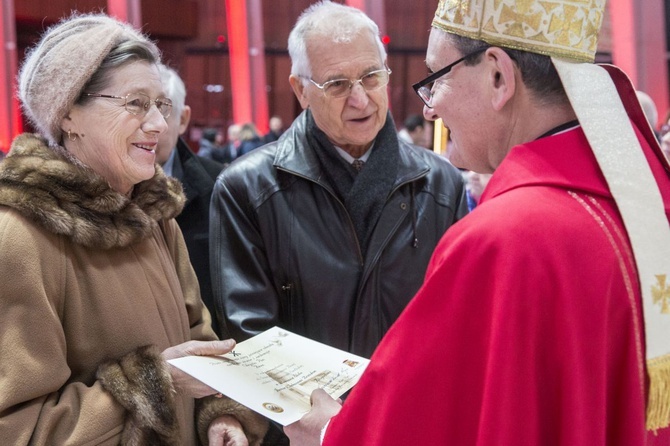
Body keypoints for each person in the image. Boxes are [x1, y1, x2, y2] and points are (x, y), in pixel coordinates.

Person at [285, 0, 670, 444]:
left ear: (498, 76)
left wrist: (330, 432)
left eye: (437, 78)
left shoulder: (507, 238)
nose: (429, 109)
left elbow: (428, 424)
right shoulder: (640, 208)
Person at [0, 13, 267, 445]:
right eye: (135, 103)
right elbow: (19, 429)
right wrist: (160, 382)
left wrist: (220, 417)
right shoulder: (22, 237)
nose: (160, 125)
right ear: (69, 114)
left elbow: (198, 337)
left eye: (160, 104)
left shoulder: (154, 215)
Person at [210, 0, 467, 442]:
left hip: (411, 425)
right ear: (300, 89)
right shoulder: (246, 189)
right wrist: (329, 427)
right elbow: (249, 335)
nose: (360, 98)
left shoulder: (441, 182)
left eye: (371, 77)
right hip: (298, 431)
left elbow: (457, 325)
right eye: (336, 83)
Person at [156, 64, 225, 335]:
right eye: (136, 109)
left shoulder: (221, 186)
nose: (149, 126)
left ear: (183, 120)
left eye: (161, 112)